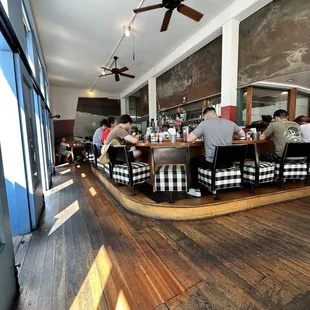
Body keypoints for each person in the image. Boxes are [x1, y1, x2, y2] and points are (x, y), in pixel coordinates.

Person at [186, 107, 245, 197]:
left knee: (193, 160)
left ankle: (195, 189)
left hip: (213, 163)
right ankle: (214, 186)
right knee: (201, 159)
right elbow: (242, 134)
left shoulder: (204, 124)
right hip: (228, 162)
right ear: (215, 114)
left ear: (205, 116)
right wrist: (234, 136)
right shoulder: (230, 122)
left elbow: (189, 139)